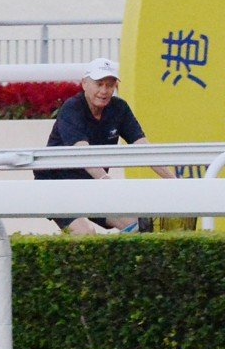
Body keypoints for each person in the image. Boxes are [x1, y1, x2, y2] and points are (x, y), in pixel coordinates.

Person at [34, 57, 176, 234]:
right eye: (99, 84)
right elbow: (82, 154)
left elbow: (143, 148)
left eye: (109, 85)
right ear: (84, 84)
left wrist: (173, 182)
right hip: (57, 187)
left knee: (139, 227)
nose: (104, 90)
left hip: (93, 186)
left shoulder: (119, 108)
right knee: (86, 234)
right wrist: (107, 184)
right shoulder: (72, 108)